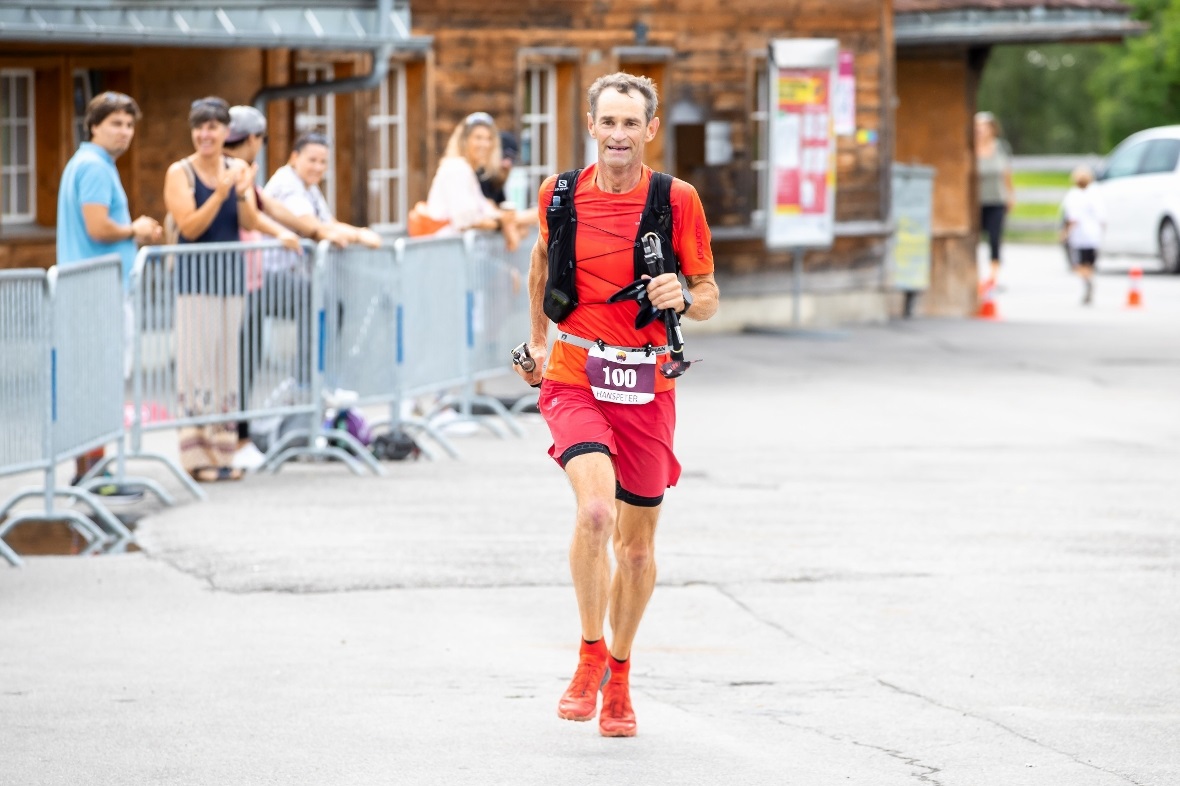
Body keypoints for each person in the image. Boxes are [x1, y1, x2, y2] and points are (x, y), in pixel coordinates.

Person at [514, 72, 719, 737]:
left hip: (646, 385)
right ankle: (588, 653)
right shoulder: (560, 192)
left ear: (650, 130)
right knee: (595, 511)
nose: (619, 135)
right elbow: (543, 263)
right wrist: (539, 341)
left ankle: (621, 675)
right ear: (592, 126)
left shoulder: (676, 200)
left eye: (632, 124)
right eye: (609, 123)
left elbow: (710, 292)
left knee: (635, 549)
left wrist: (683, 297)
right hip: (574, 370)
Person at [163, 96, 299, 483]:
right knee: (196, 367)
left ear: (226, 132)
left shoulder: (235, 167)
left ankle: (222, 454)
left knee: (225, 367)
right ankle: (196, 458)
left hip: (230, 279)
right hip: (195, 281)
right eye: (200, 127)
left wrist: (241, 192)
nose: (206, 134)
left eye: (213, 127)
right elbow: (189, 227)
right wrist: (220, 193)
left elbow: (248, 218)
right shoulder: (181, 172)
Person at [56, 91, 163, 502]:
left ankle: (91, 469)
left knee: (93, 380)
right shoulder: (95, 167)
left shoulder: (86, 163)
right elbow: (98, 227)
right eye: (116, 123)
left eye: (130, 125)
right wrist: (133, 229)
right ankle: (94, 472)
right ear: (94, 124)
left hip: (89, 289)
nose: (125, 132)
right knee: (100, 380)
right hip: (96, 292)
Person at [263, 132, 382, 249]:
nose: (318, 167)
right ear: (294, 157)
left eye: (323, 162)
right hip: (277, 266)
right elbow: (311, 224)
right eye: (312, 160)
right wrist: (358, 235)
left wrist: (357, 233)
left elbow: (328, 223)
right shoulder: (286, 183)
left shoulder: (309, 185)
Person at [421, 112, 520, 249]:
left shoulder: (468, 172)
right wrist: (500, 223)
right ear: (464, 140)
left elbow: (486, 210)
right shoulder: (456, 168)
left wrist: (504, 220)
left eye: (489, 138)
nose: (484, 144)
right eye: (478, 138)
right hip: (445, 254)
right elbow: (466, 220)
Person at [975, 111, 1015, 285]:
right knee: (972, 239)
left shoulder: (999, 147)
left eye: (984, 127)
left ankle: (993, 277)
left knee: (994, 238)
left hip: (996, 200)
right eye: (978, 127)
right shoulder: (970, 148)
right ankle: (973, 274)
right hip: (975, 202)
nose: (981, 131)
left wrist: (1011, 195)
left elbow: (1006, 173)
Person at [1060, 165, 1106, 305]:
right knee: (1090, 263)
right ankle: (1088, 280)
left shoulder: (1073, 196)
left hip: (1079, 237)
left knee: (1078, 264)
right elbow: (1102, 217)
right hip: (1094, 236)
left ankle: (1087, 282)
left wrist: (1065, 232)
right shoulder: (1096, 193)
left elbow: (1072, 218)